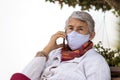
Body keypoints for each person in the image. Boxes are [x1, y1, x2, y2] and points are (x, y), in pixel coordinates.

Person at [10, 11, 111, 80]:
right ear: (65, 31)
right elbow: (26, 76)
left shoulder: (95, 60)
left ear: (91, 35)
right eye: (70, 28)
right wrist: (46, 50)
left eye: (80, 29)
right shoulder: (54, 53)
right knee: (17, 77)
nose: (74, 33)